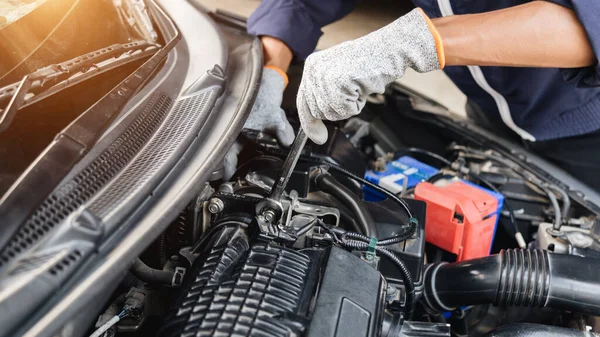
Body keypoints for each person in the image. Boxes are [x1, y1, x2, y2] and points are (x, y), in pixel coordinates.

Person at [235, 1, 600, 189]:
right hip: (489, 117)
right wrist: (270, 69)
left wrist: (410, 42)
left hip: (588, 126)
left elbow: (589, 22)